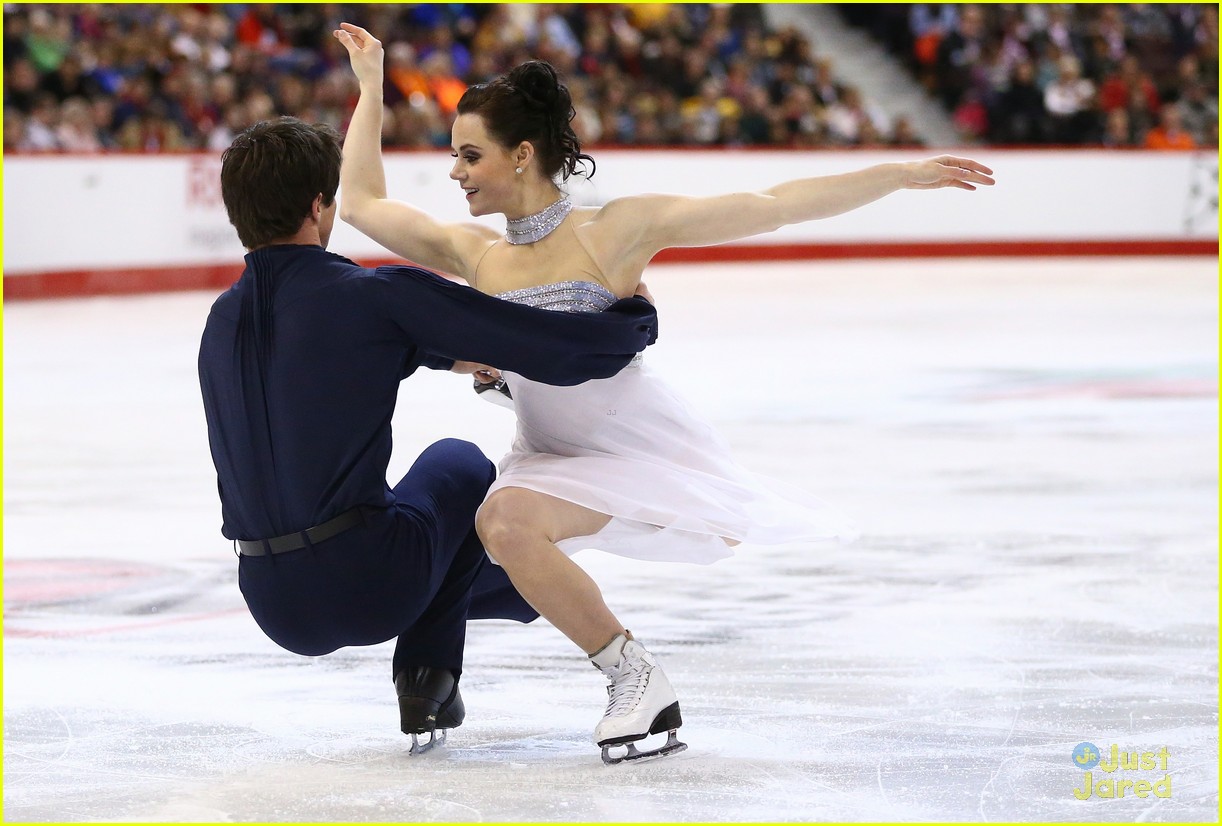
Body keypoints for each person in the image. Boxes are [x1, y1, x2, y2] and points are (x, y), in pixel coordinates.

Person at [333, 22, 995, 763]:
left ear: (522, 154)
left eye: (469, 154)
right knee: (504, 525)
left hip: (632, 439)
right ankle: (623, 675)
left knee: (502, 523)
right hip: (548, 449)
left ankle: (618, 678)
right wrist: (370, 86)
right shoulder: (474, 253)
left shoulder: (613, 232)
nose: (455, 171)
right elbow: (358, 203)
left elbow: (772, 202)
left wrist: (897, 175)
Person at [197, 116, 658, 753]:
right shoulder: (368, 295)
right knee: (459, 466)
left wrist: (444, 354)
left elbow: (325, 362)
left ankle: (433, 679)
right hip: (370, 584)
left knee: (414, 517)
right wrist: (633, 317)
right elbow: (545, 346)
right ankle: (427, 669)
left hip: (274, 604)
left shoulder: (221, 322)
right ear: (319, 205)